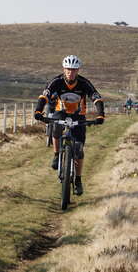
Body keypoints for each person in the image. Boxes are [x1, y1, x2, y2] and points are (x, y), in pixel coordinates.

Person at [34, 55, 105, 196]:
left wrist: (100, 114)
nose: (70, 72)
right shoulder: (57, 81)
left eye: (73, 70)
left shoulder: (84, 83)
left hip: (78, 116)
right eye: (68, 69)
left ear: (78, 70)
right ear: (63, 69)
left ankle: (78, 180)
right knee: (55, 125)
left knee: (78, 148)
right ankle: (56, 154)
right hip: (61, 112)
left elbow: (96, 97)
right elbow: (44, 96)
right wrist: (38, 110)